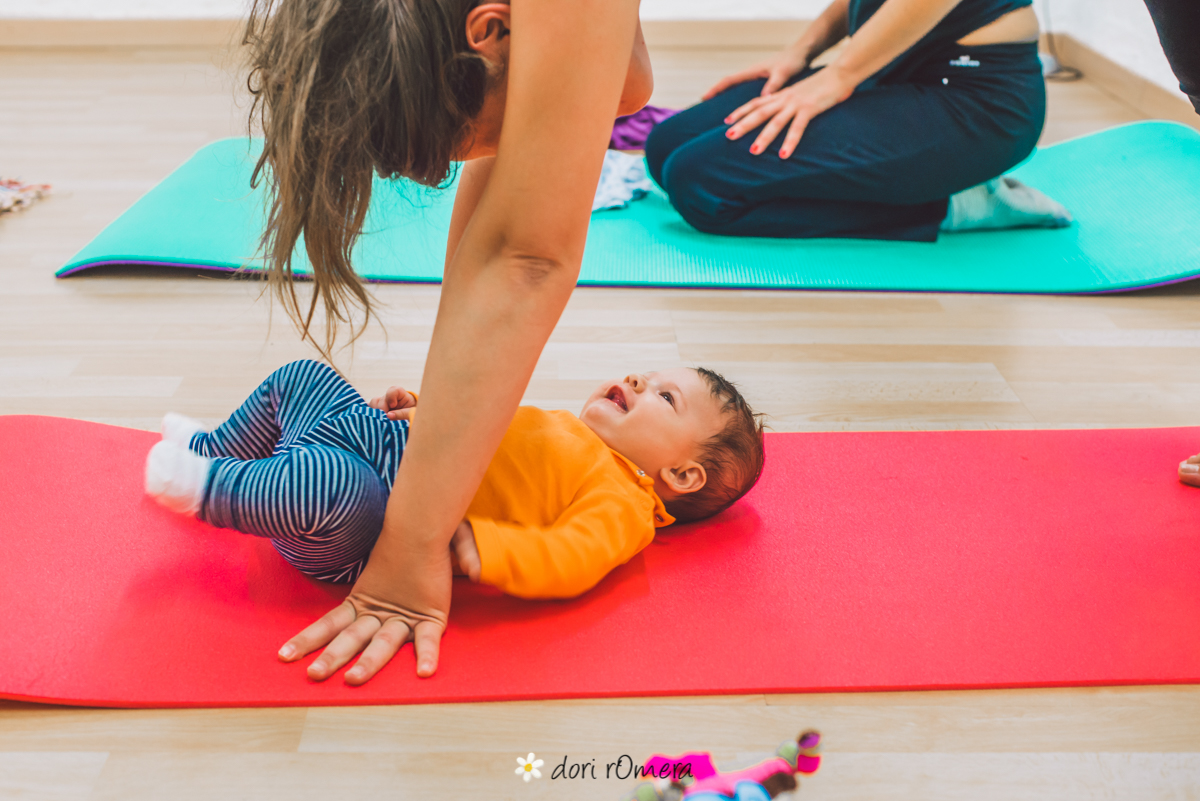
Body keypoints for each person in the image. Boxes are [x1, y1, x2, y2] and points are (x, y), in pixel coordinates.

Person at [237, 0, 651, 684]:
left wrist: (411, 551)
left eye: (437, 152)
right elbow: (507, 231)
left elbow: (525, 259)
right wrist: (441, 434)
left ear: (489, 31)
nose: (431, 173)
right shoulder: (521, 29)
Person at [144, 360, 765, 600]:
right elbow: (479, 427)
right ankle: (213, 444)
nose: (634, 380)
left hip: (369, 518)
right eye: (644, 373)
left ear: (681, 474)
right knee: (304, 376)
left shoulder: (622, 503)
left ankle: (210, 486)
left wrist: (487, 545)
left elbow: (575, 556)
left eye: (663, 396)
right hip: (378, 437)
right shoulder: (566, 431)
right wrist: (419, 407)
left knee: (328, 482)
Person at [644, 0, 1072, 241]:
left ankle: (957, 205)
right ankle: (912, 182)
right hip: (893, 75)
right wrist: (800, 53)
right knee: (666, 145)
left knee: (699, 184)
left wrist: (839, 76)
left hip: (976, 102)